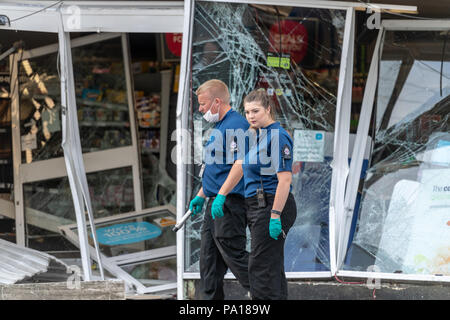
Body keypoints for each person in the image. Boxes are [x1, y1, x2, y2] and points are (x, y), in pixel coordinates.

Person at [213, 89, 297, 300]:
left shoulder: (278, 136)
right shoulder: (255, 135)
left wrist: (276, 214)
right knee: (271, 264)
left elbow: (285, 180)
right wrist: (221, 194)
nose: (251, 116)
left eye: (256, 111)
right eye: (247, 111)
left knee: (260, 267)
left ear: (268, 109)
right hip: (256, 205)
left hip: (272, 204)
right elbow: (240, 165)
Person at [188, 79, 250, 300]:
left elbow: (239, 165)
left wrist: (221, 195)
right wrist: (201, 195)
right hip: (215, 201)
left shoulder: (237, 125)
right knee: (209, 261)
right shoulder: (219, 127)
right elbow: (215, 169)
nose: (201, 109)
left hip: (230, 202)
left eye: (203, 104)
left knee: (233, 252)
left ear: (217, 101)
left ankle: (267, 291)